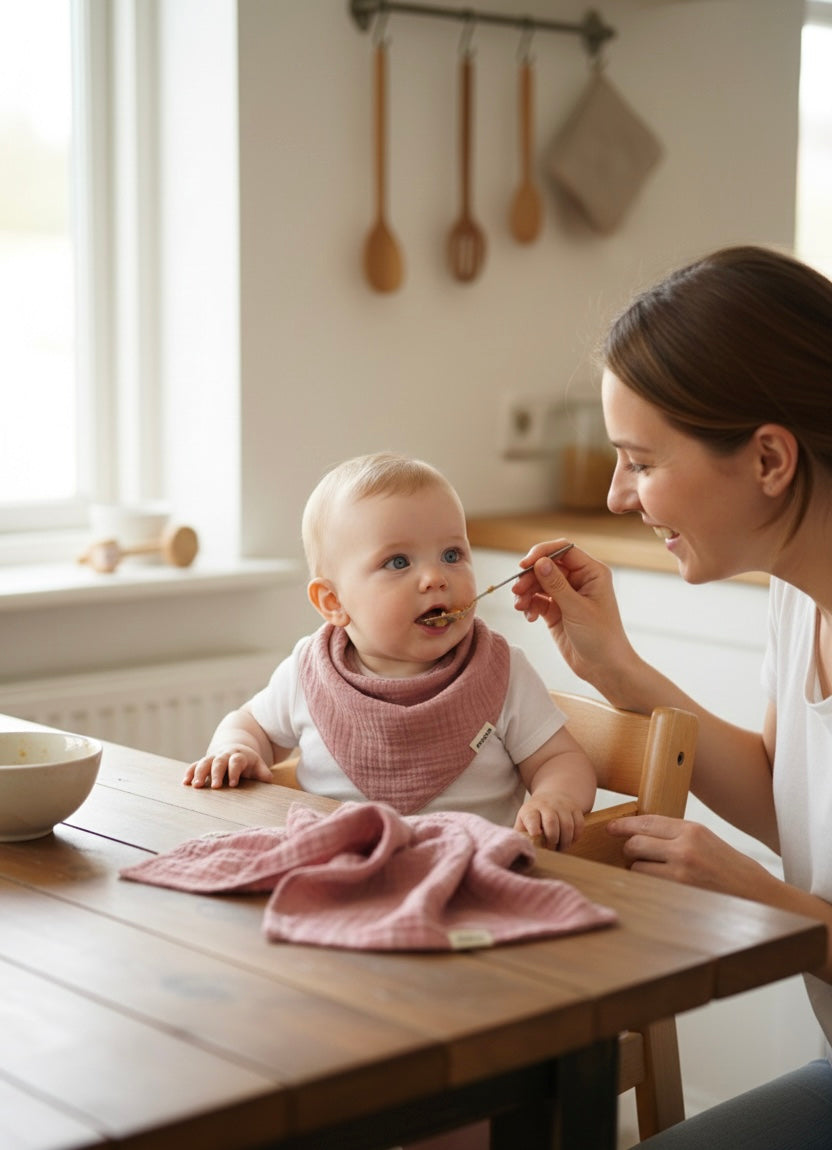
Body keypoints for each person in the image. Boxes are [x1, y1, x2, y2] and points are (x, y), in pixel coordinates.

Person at [513, 245, 832, 1149]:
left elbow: (785, 865)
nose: (618, 497)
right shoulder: (798, 593)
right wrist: (616, 668)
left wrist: (767, 903)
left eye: (640, 462)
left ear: (769, 457)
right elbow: (790, 804)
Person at [185, 451, 595, 850]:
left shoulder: (502, 671)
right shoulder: (308, 671)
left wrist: (556, 797)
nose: (435, 577)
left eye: (452, 555)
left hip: (471, 876)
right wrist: (235, 749)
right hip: (337, 874)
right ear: (333, 602)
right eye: (398, 562)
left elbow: (560, 760)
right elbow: (249, 725)